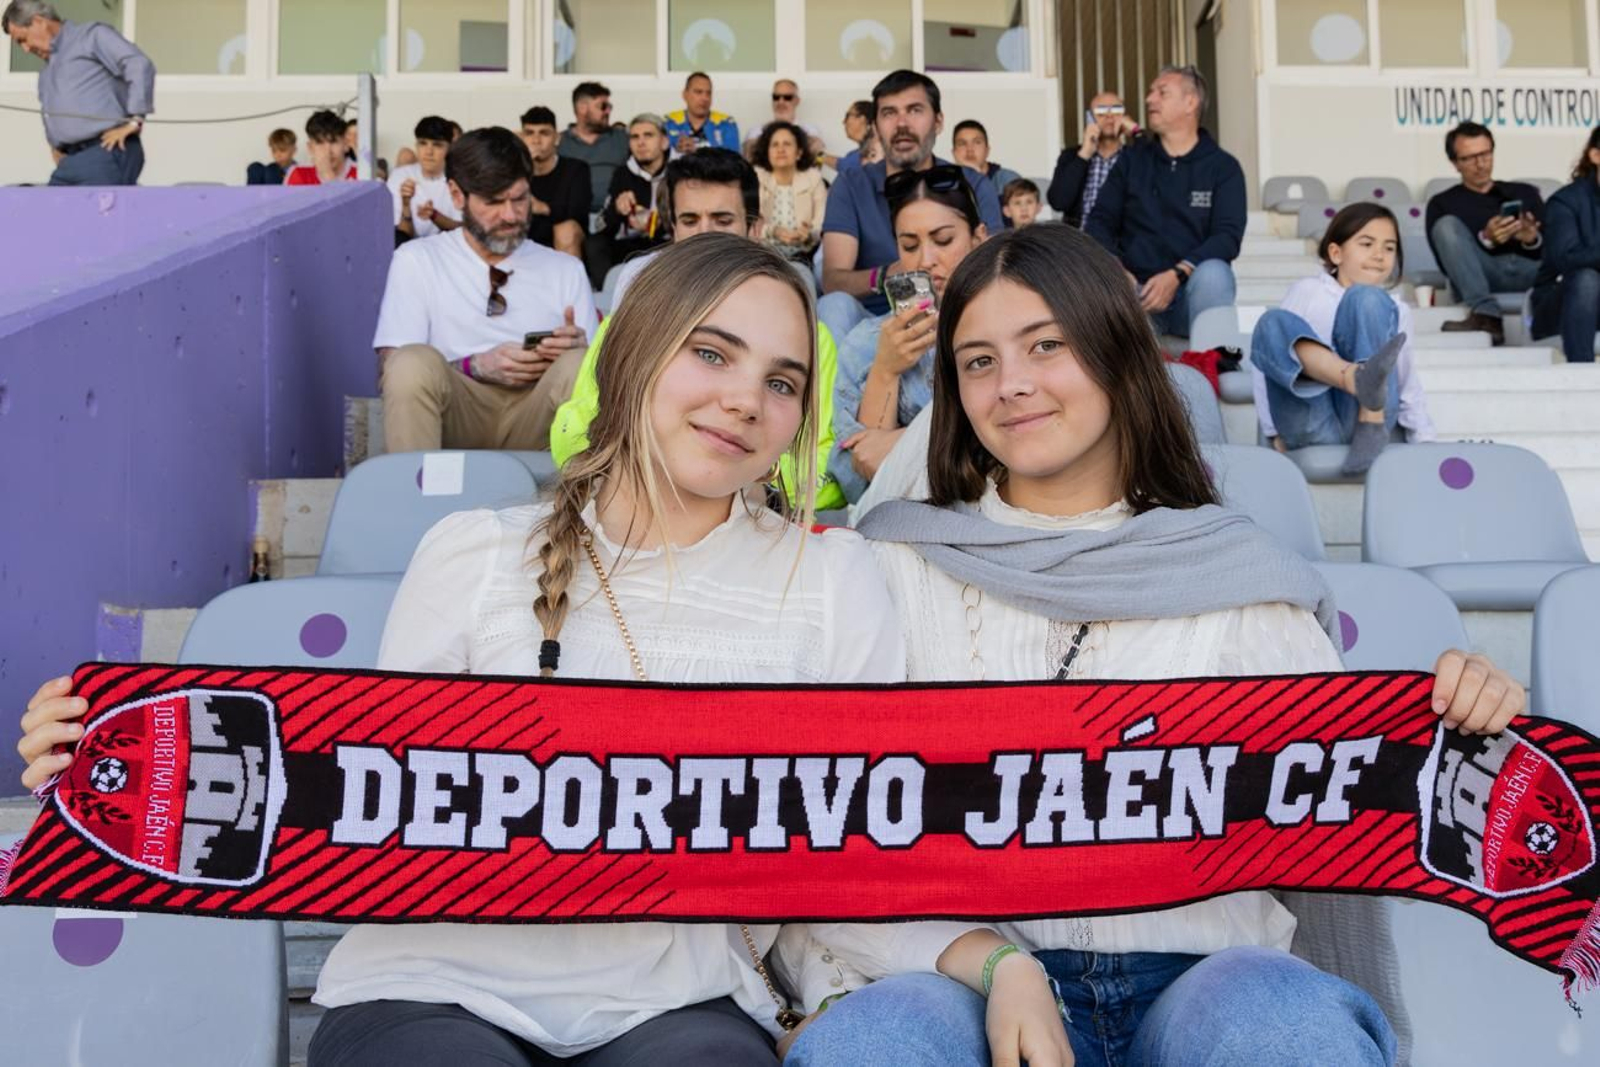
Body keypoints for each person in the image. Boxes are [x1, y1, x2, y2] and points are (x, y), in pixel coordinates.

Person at [19, 234, 902, 1066]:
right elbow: (359, 784)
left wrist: (850, 992)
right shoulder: (474, 553)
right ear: (632, 359)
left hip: (680, 992)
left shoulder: (830, 577)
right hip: (431, 978)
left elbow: (880, 823)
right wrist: (110, 753)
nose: (747, 398)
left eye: (783, 381)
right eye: (711, 354)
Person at [779, 224, 1526, 1067]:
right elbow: (828, 829)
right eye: (978, 360)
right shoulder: (893, 566)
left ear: (1117, 354)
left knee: (1287, 1030)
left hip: (1206, 975)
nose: (1012, 384)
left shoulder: (1236, 572)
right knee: (869, 1045)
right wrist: (997, 963)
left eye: (1047, 345)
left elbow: (1350, 784)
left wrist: (1466, 719)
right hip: (965, 977)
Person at [550, 148, 848, 512]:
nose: (705, 235)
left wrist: (731, 477)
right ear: (674, 230)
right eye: (690, 220)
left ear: (754, 228)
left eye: (722, 220)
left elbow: (822, 463)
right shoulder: (628, 320)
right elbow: (575, 430)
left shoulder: (809, 337)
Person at [373, 128, 594, 454]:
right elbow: (392, 365)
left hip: (537, 416)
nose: (510, 215)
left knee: (584, 364)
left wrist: (580, 348)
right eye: (493, 202)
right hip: (457, 409)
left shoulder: (565, 269)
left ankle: (587, 500)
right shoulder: (418, 259)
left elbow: (595, 378)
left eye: (519, 199)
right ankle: (414, 498)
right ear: (457, 195)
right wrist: (473, 366)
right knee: (409, 364)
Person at [828, 166, 987, 503]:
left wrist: (908, 442)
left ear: (978, 238)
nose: (926, 259)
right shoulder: (868, 341)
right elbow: (861, 480)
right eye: (909, 245)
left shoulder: (1006, 327)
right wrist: (885, 370)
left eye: (944, 240)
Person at [819, 69, 1006, 344]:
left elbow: (997, 266)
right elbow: (834, 280)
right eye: (889, 113)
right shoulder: (851, 184)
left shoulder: (972, 184)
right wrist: (889, 274)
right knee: (833, 305)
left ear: (938, 121)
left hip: (958, 311)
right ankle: (838, 389)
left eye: (915, 110)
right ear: (876, 125)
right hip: (874, 321)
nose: (901, 123)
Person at [1250, 203, 1436, 476]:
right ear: (1335, 253)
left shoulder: (1397, 309)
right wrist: (1272, 430)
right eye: (1367, 244)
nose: (1379, 255)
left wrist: (1424, 440)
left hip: (1367, 422)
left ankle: (1369, 410)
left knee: (1367, 298)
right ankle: (1354, 378)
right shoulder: (1308, 291)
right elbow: (1268, 364)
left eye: (1389, 247)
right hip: (1312, 417)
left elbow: (1406, 377)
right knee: (1271, 323)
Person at [1086, 66, 1244, 338]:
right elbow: (1098, 222)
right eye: (1150, 92)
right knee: (1097, 272)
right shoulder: (1132, 160)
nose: (1149, 99)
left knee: (1215, 273)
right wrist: (1117, 269)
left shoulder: (1223, 167)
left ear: (1190, 103)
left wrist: (1177, 274)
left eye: (1162, 92)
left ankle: (1214, 364)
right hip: (1134, 299)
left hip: (1188, 298)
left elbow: (1227, 236)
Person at [5, 0, 154, 186]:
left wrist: (135, 120)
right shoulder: (47, 72)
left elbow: (138, 64)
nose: (25, 49)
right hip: (71, 162)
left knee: (96, 214)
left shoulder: (90, 37)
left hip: (105, 151)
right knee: (46, 211)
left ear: (38, 22)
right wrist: (57, 148)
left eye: (22, 39)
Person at [1427, 121, 1546, 346]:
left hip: (1532, 271)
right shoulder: (1442, 203)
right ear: (1455, 163)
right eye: (1469, 158)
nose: (1480, 164)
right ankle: (1486, 315)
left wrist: (1531, 240)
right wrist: (1487, 240)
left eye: (1486, 154)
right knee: (1446, 225)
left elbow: (1555, 249)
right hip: (1483, 274)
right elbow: (1449, 264)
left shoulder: (1525, 192)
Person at [1531, 125, 1600, 364]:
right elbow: (1565, 260)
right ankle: (1582, 375)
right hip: (1559, 306)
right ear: (1595, 156)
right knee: (1586, 278)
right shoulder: (1565, 202)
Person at [1048, 90, 1138, 228]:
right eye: (1101, 111)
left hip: (1123, 244)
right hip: (1081, 243)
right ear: (1089, 118)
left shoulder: (1136, 158)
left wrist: (1136, 132)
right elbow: (1059, 202)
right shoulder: (1071, 156)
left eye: (1116, 110)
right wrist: (1084, 155)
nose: (1109, 116)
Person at [597, 113, 671, 273]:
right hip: (630, 245)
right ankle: (606, 295)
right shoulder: (622, 173)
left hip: (667, 244)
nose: (641, 142)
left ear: (664, 142)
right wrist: (616, 209)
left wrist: (655, 224)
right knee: (595, 243)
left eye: (648, 135)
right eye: (635, 137)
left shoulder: (679, 172)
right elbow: (602, 224)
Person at [520, 105, 592, 260]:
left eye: (544, 133)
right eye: (529, 133)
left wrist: (543, 208)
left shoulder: (576, 169)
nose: (536, 140)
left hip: (567, 239)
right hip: (525, 237)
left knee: (566, 230)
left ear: (557, 138)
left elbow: (577, 213)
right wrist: (525, 168)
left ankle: (569, 283)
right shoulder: (516, 173)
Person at [753, 121, 826, 260]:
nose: (780, 149)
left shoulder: (814, 178)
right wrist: (772, 231)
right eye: (775, 145)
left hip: (802, 256)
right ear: (767, 152)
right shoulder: (756, 178)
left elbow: (821, 223)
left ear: (799, 153)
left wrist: (809, 235)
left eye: (787, 144)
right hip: (762, 256)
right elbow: (748, 223)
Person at [389, 115, 460, 240]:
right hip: (409, 252)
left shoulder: (459, 180)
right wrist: (406, 205)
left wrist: (434, 216)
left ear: (449, 148)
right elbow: (401, 237)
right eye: (423, 143)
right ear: (416, 145)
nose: (429, 152)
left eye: (437, 145)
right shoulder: (400, 176)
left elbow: (462, 232)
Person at [743, 79, 826, 162]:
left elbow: (815, 160)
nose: (780, 102)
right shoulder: (756, 131)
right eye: (776, 97)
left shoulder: (810, 130)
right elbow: (750, 162)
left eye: (787, 98)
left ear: (797, 101)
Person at [950, 120, 1021, 213]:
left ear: (987, 150)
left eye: (977, 142)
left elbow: (1019, 223)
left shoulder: (1008, 179)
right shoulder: (946, 184)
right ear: (954, 153)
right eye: (962, 144)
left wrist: (978, 177)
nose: (970, 149)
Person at [664, 71, 740, 153]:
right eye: (698, 92)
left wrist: (698, 151)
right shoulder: (669, 122)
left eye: (708, 93)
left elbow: (733, 161)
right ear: (685, 95)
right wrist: (676, 149)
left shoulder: (725, 123)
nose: (705, 98)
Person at [286, 110, 356, 186]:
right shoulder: (299, 173)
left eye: (333, 142)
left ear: (346, 144)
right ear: (310, 148)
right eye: (320, 143)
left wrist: (328, 177)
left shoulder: (362, 172)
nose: (328, 151)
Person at [828, 100, 874, 172]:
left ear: (862, 119)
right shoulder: (852, 154)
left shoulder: (877, 151)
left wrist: (818, 155)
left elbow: (845, 166)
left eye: (847, 116)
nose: (843, 122)